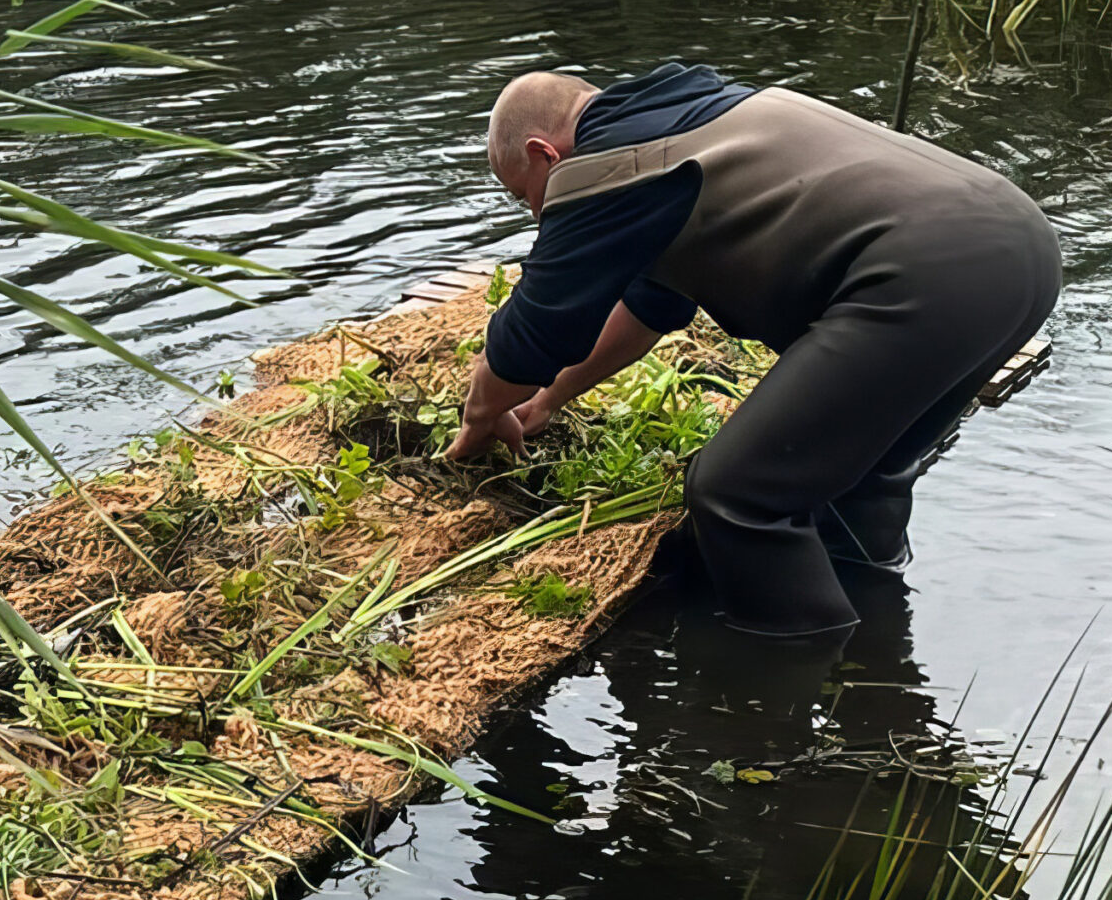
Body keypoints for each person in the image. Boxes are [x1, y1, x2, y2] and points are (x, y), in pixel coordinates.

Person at [446, 64, 1061, 637]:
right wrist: (550, 400)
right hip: (1019, 248)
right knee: (865, 477)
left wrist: (479, 415)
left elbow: (535, 331)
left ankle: (793, 681)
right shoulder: (683, 118)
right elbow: (649, 306)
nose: (536, 215)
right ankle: (875, 654)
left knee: (735, 493)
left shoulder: (601, 169)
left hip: (924, 272)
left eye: (523, 196)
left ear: (542, 155)